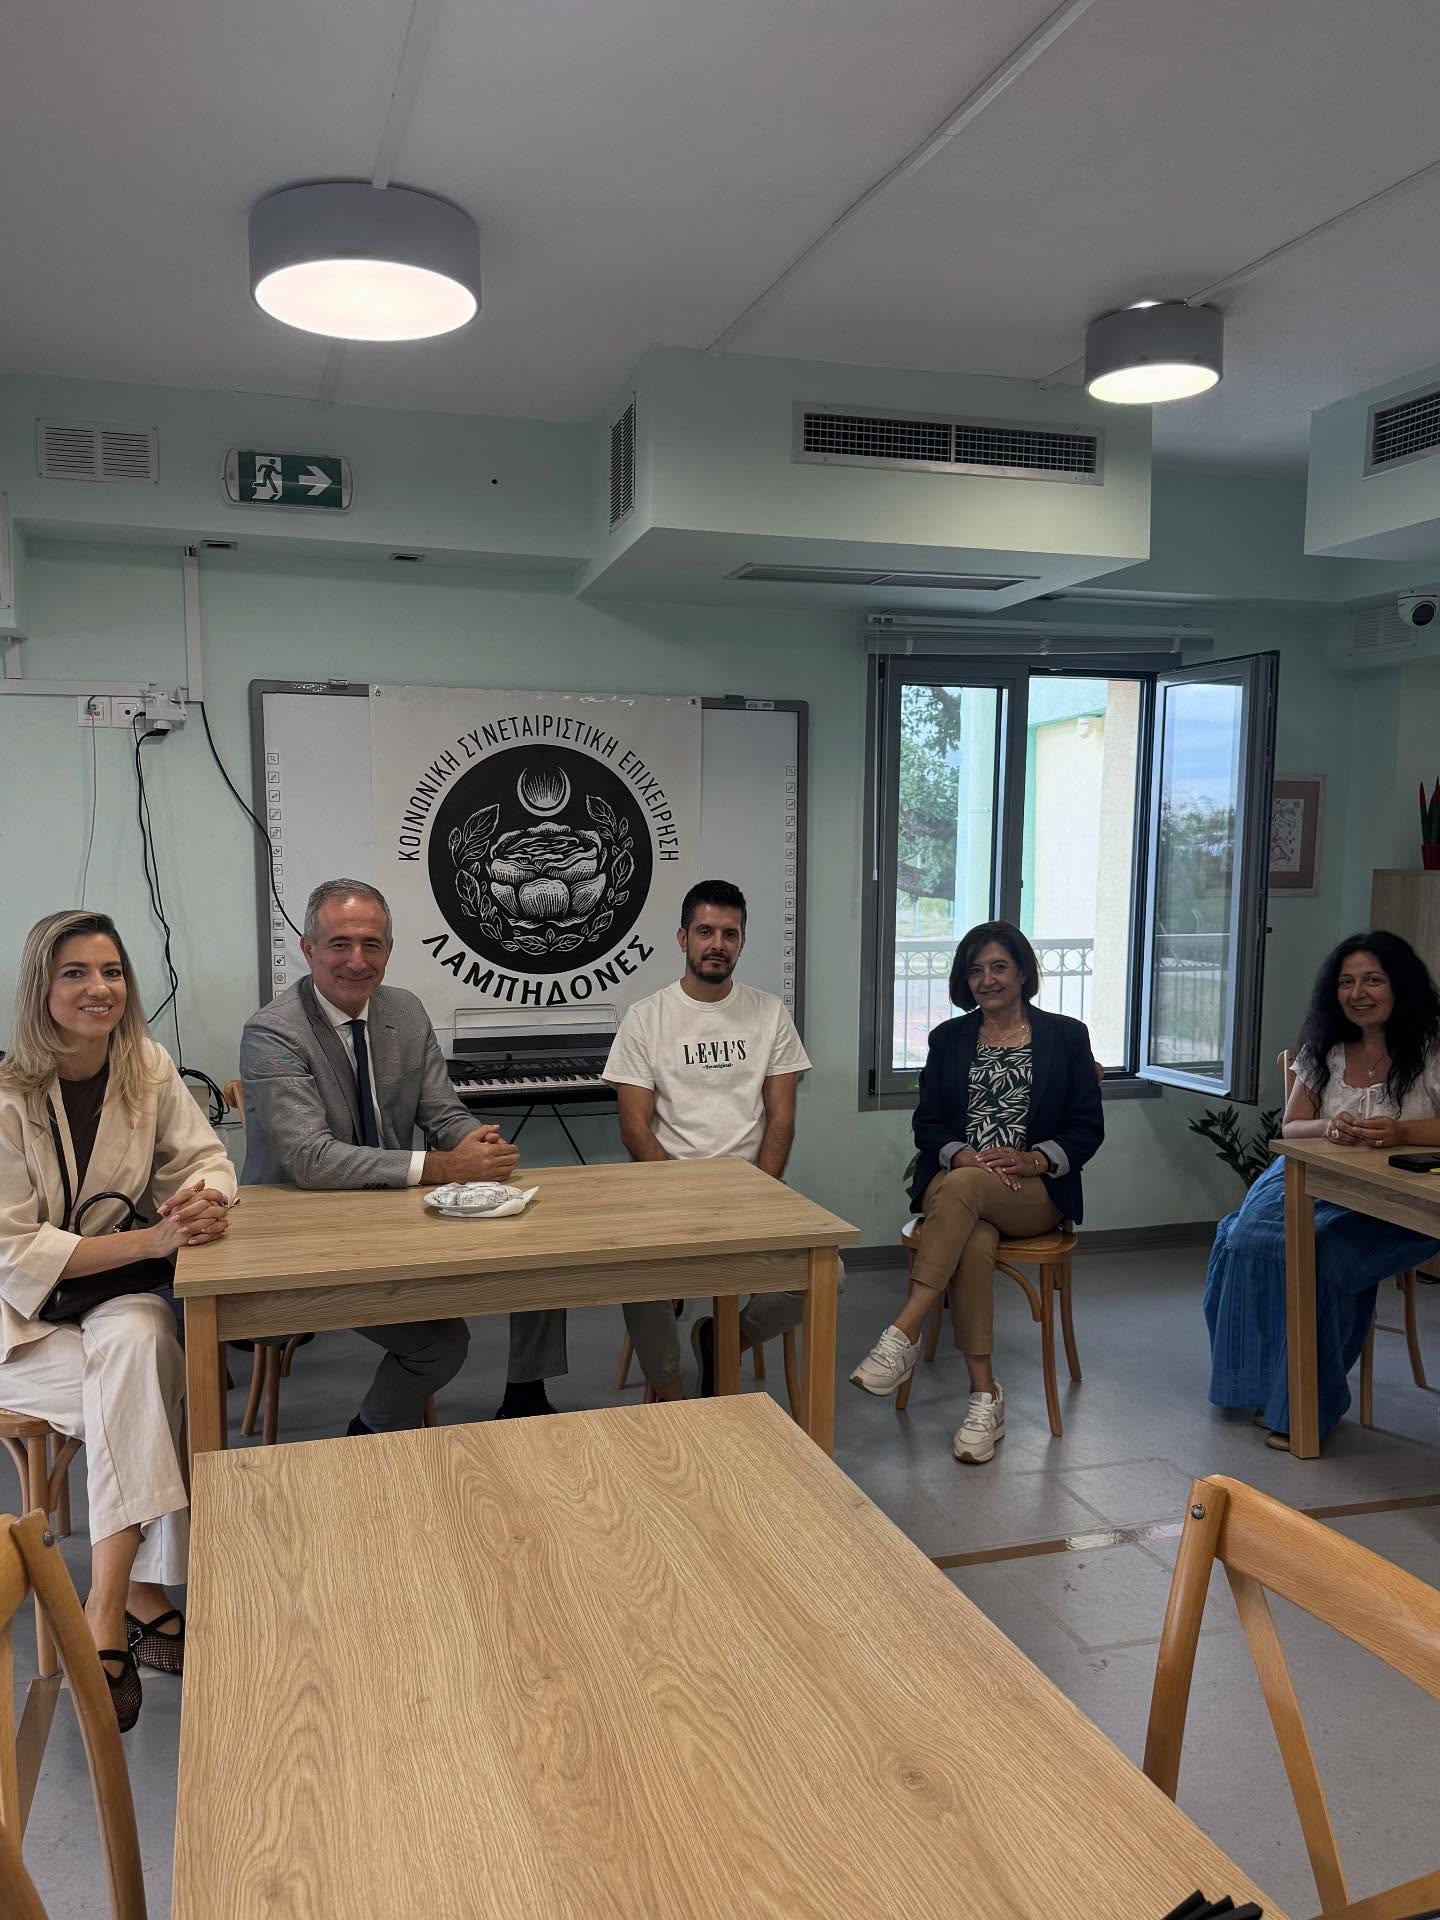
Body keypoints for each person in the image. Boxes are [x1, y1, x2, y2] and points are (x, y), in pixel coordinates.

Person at [0, 911, 235, 1729]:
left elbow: (205, 1160)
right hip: (17, 1321)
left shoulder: (147, 1067)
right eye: (75, 973)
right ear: (41, 987)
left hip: (109, 1298)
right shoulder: (6, 1096)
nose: (99, 988)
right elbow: (14, 1253)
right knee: (139, 1395)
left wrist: (203, 1204)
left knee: (141, 1343)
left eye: (112, 971)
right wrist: (154, 1240)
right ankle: (137, 1593)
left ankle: (101, 1608)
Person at [240, 878, 567, 1428]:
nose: (357, 961)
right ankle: (366, 1434)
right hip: (302, 1237)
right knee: (441, 1344)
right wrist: (443, 1166)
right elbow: (311, 1159)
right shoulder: (272, 1033)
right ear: (308, 949)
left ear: (389, 950)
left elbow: (442, 1112)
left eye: (371, 944)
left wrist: (473, 1141)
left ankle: (524, 1395)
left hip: (395, 1219)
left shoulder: (405, 1012)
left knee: (544, 1260)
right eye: (340, 944)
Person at [851, 920, 1103, 1463]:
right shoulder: (949, 1039)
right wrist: (962, 1154)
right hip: (960, 1188)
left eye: (998, 967)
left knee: (963, 1191)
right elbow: (927, 1125)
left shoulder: (1066, 1036)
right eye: (975, 971)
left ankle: (905, 1330)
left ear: (1023, 973)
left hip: (1032, 1192)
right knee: (973, 1234)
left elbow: (1087, 1129)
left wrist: (1034, 1159)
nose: (986, 980)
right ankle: (985, 1398)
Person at [1205, 929, 1440, 1447]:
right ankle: (1265, 1388)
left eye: (1373, 980)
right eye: (1346, 982)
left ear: (1399, 984)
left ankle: (1305, 1405)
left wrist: (1400, 1131)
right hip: (1313, 1173)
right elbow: (1292, 1127)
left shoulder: (1432, 1048)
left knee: (1321, 1254)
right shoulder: (1325, 1047)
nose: (1358, 993)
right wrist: (1331, 1127)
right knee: (1245, 1237)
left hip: (1398, 1197)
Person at [602, 879, 812, 1398]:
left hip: (752, 1189)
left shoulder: (769, 1013)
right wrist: (680, 1193)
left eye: (729, 934)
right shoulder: (646, 1017)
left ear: (741, 942)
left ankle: (724, 1340)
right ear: (683, 938)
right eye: (705, 932)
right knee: (636, 1272)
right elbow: (634, 1128)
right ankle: (670, 1389)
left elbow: (781, 1121)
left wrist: (760, 1191)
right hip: (666, 1191)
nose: (718, 944)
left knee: (822, 1274)